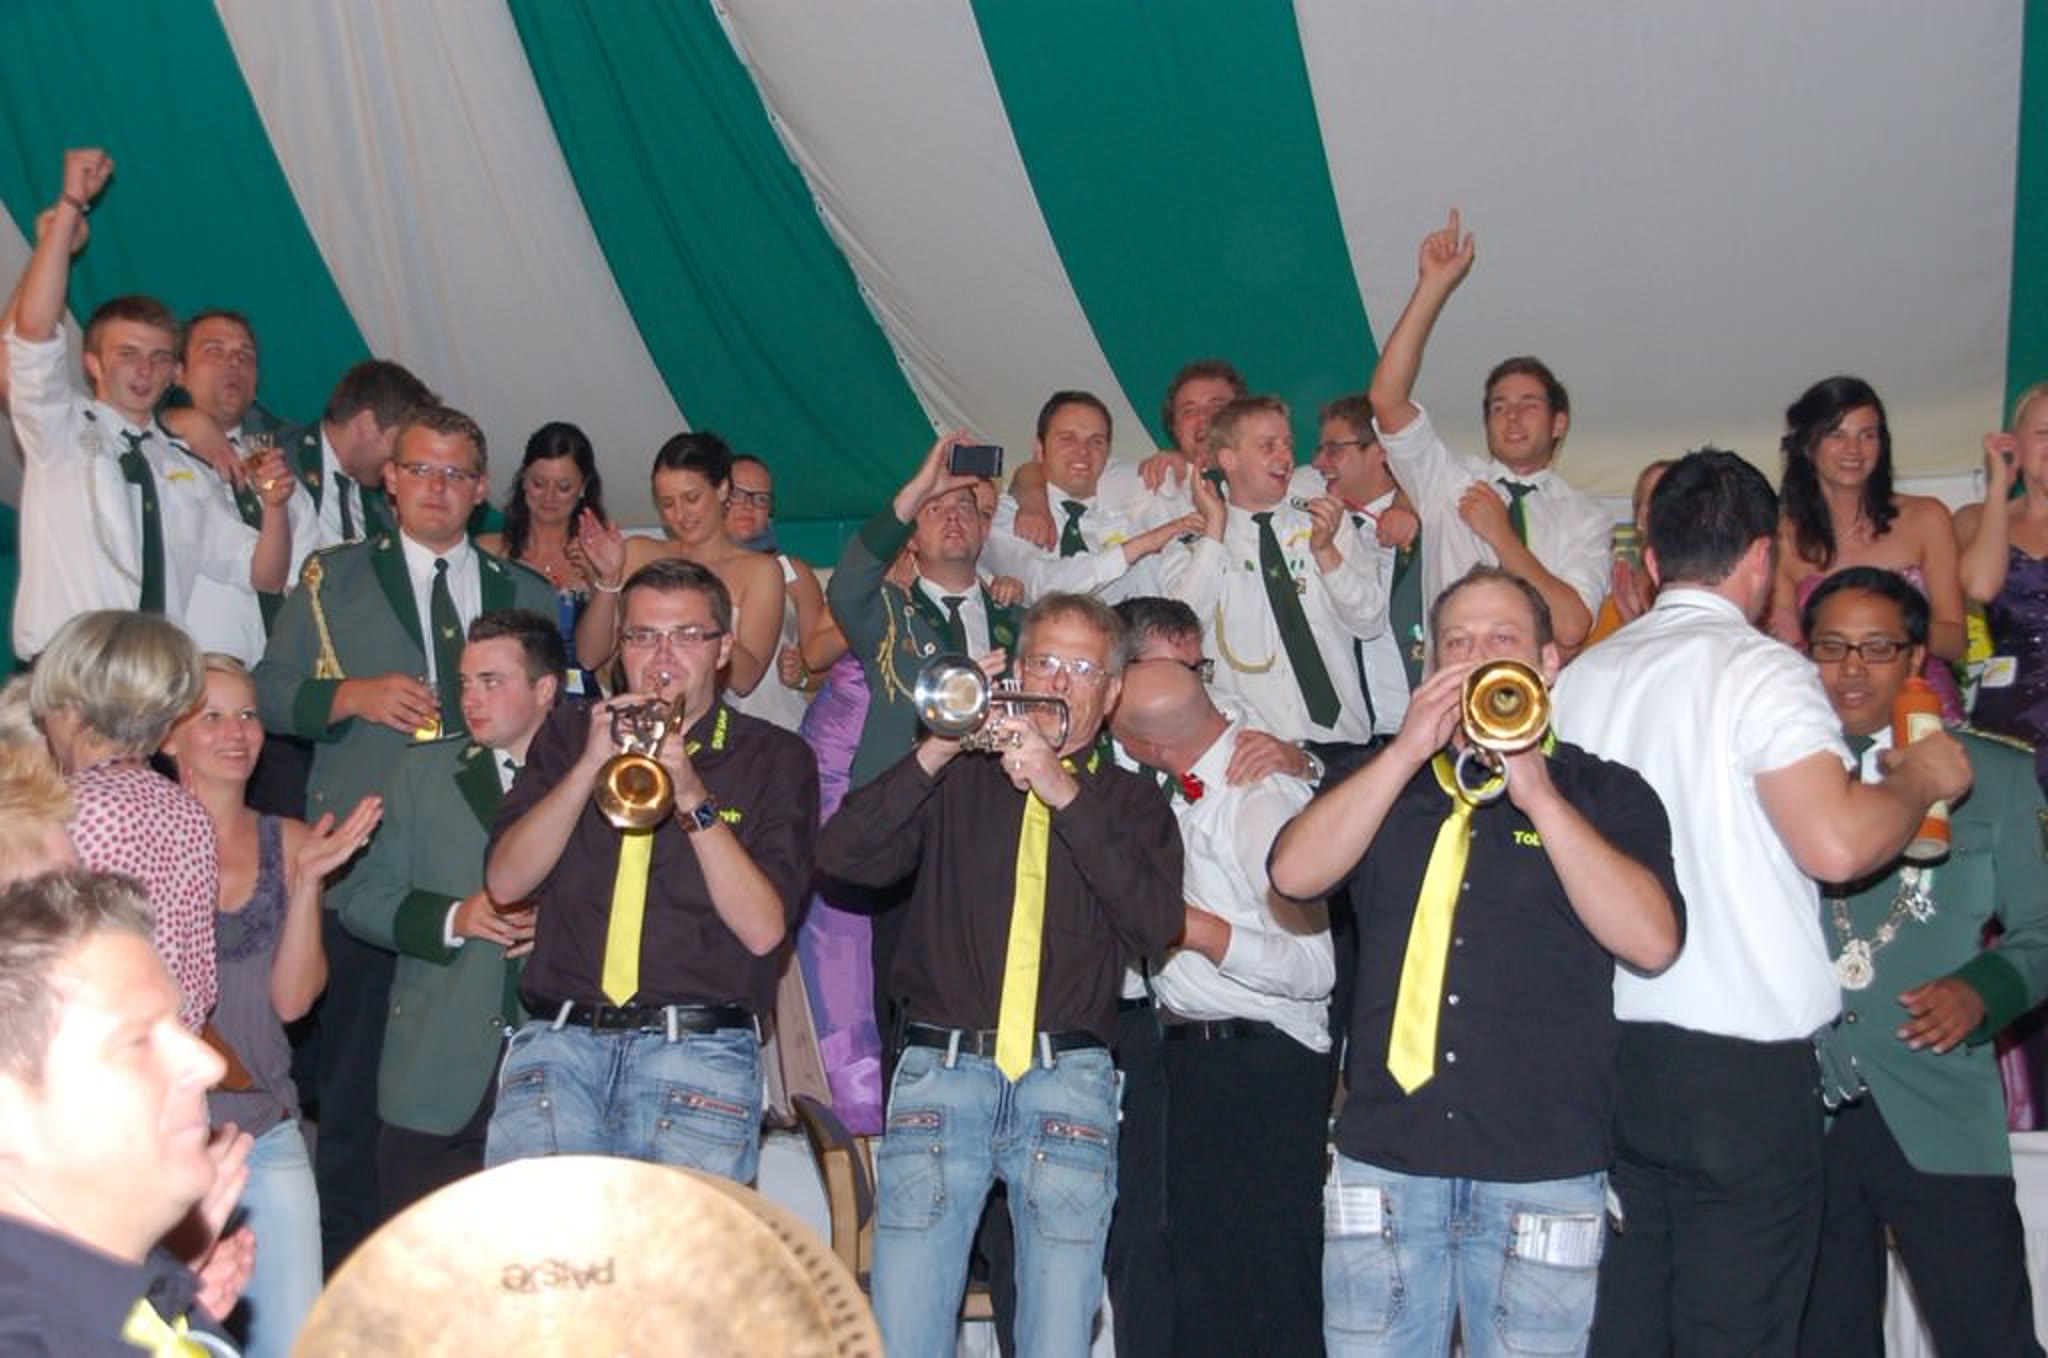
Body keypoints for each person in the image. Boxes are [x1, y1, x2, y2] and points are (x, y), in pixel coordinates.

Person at [1549, 448, 1974, 1356]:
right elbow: (1837, 845)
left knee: (1626, 1332)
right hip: (1740, 1076)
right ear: (1759, 557)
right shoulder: (1763, 671)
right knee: (1736, 1335)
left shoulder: (1579, 680)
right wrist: (1918, 779)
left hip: (1610, 1059)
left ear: (1650, 561)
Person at [1270, 566, 1682, 1357]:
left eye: (1502, 639)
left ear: (1548, 664)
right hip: (1385, 1160)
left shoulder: (1603, 791)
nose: (1477, 656)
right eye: (1457, 643)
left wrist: (1540, 795)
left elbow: (1652, 941)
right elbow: (1293, 874)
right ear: (1431, 665)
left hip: (1543, 1168)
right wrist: (1405, 752)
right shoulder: (1380, 782)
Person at [816, 593, 1184, 1358]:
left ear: (1113, 692)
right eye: (1044, 661)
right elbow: (841, 856)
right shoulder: (955, 779)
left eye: (1082, 668)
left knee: (1057, 1336)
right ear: (1015, 672)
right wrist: (938, 745)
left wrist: (1060, 787)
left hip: (1069, 1080)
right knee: (906, 1332)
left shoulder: (1130, 803)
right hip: (941, 1070)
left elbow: (1156, 926)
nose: (1060, 681)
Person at [254, 403, 554, 1269]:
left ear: (482, 488)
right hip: (367, 867)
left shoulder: (525, 591)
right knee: (354, 1094)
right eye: (420, 468)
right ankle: (354, 1282)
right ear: (389, 477)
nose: (437, 487)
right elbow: (267, 694)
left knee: (489, 1097)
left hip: (490, 867)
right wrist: (348, 696)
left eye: (456, 474)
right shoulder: (332, 577)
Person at [483, 559, 817, 1179]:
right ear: (620, 647)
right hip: (559, 1044)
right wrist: (588, 767)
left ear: (723, 648)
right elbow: (505, 882)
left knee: (680, 1248)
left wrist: (692, 796)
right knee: (538, 1243)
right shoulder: (568, 735)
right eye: (643, 636)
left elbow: (764, 930)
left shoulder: (775, 756)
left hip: (700, 1055)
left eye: (687, 636)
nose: (663, 657)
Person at [1795, 568, 2048, 1356]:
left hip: (1939, 1100)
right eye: (1831, 647)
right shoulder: (1779, 777)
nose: (1851, 669)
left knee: (1990, 1337)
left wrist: (1985, 991)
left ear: (1913, 659)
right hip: (1801, 1109)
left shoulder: (1993, 774)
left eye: (1876, 648)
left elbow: (2044, 927)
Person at [1110, 659, 1332, 1358]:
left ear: (1148, 748)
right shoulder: (1198, 773)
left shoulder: (1258, 798)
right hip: (1200, 1065)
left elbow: (1315, 968)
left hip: (1260, 1066)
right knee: (1205, 1286)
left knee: (1265, 1286)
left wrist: (1200, 932)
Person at [163, 656, 380, 1358]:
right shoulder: (140, 829)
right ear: (167, 734)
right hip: (159, 1137)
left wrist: (309, 882)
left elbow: (294, 1002)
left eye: (249, 715)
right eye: (213, 716)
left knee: (291, 1342)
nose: (237, 732)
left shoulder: (288, 840)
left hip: (264, 1129)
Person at [4, 147, 294, 662]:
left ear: (174, 372)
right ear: (93, 363)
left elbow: (264, 575)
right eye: (128, 355)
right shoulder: (60, 426)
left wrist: (274, 508)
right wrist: (69, 208)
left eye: (160, 358)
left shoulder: (190, 470)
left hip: (154, 679)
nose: (145, 370)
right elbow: (31, 333)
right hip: (68, 669)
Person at [335, 610, 563, 1214]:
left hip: (561, 1075)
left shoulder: (597, 778)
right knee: (423, 1260)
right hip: (435, 1070)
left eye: (492, 682)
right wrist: (454, 918)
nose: (471, 699)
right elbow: (360, 897)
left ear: (545, 689)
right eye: (465, 683)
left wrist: (559, 924)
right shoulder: (423, 772)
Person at [0, 869, 248, 1356]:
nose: (210, 1064)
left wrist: (172, 1300)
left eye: (178, 1023)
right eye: (137, 1040)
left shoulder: (125, 1304)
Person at [1367, 210, 1612, 649]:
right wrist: (1432, 287)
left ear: (1559, 423)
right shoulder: (1450, 480)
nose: (1511, 417)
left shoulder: (1584, 516)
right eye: (1499, 407)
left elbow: (1571, 626)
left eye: (1528, 405)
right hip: (1451, 688)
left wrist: (1499, 534)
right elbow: (1387, 399)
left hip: (1535, 690)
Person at [1159, 395, 1387, 763]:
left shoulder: (1327, 521)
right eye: (1268, 446)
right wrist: (1215, 529)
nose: (1285, 457)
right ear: (1228, 459)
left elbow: (1369, 621)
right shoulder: (1191, 543)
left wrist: (1325, 551)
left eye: (1288, 445)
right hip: (1251, 753)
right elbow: (1180, 631)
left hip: (1343, 744)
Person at [29, 611, 217, 1033]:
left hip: (79, 1046)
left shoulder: (67, 810)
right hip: (166, 1044)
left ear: (72, 709)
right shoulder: (187, 811)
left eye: (46, 711)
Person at [1768, 376, 1966, 719]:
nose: (1854, 450)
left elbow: (1955, 641)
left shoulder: (1926, 518)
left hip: (1921, 708)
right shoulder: (1782, 535)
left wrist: (1892, 633)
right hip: (1827, 711)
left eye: (1867, 435)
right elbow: (1783, 646)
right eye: (1836, 435)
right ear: (1807, 445)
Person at [573, 431, 785, 705]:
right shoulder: (639, 552)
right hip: (643, 714)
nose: (681, 515)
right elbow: (589, 657)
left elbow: (746, 680)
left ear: (722, 490)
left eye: (691, 498)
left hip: (719, 721)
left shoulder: (760, 571)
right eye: (668, 503)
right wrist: (608, 580)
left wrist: (699, 614)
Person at [981, 390, 1200, 604]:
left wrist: (1179, 463)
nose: (1083, 451)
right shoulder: (1006, 514)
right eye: (1067, 439)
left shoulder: (1127, 491)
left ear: (1108, 451)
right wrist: (1142, 545)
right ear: (1039, 449)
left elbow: (1190, 490)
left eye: (1096, 441)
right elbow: (1040, 585)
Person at [1956, 380, 2048, 785]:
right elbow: (1980, 586)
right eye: (2044, 433)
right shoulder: (1975, 519)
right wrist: (1998, 488)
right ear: (2015, 442)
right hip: (2011, 710)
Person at [1312, 393, 1424, 725]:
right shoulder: (1316, 528)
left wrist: (1408, 501)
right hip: (1349, 731)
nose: (1318, 463)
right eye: (1320, 450)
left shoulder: (1431, 520)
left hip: (1422, 721)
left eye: (1334, 449)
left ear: (1380, 451)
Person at [476, 421, 610, 695]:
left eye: (563, 487)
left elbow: (595, 657)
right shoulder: (488, 551)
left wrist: (599, 582)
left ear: (583, 487)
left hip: (576, 703)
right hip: (502, 699)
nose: (549, 497)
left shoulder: (600, 557)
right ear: (523, 480)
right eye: (539, 483)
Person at [712, 454, 836, 730]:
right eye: (738, 494)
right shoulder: (690, 572)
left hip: (780, 730)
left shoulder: (794, 574)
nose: (748, 506)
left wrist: (801, 675)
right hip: (704, 735)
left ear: (770, 511)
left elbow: (824, 668)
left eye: (760, 499)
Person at [276, 360, 437, 552]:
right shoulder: (280, 463)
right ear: (367, 424)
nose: (401, 461)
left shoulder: (382, 505)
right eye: (399, 445)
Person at [1583, 459, 1672, 646]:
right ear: (1639, 519)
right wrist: (1630, 629)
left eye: (1678, 502)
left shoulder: (1722, 600)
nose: (1667, 512)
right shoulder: (1606, 606)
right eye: (1655, 501)